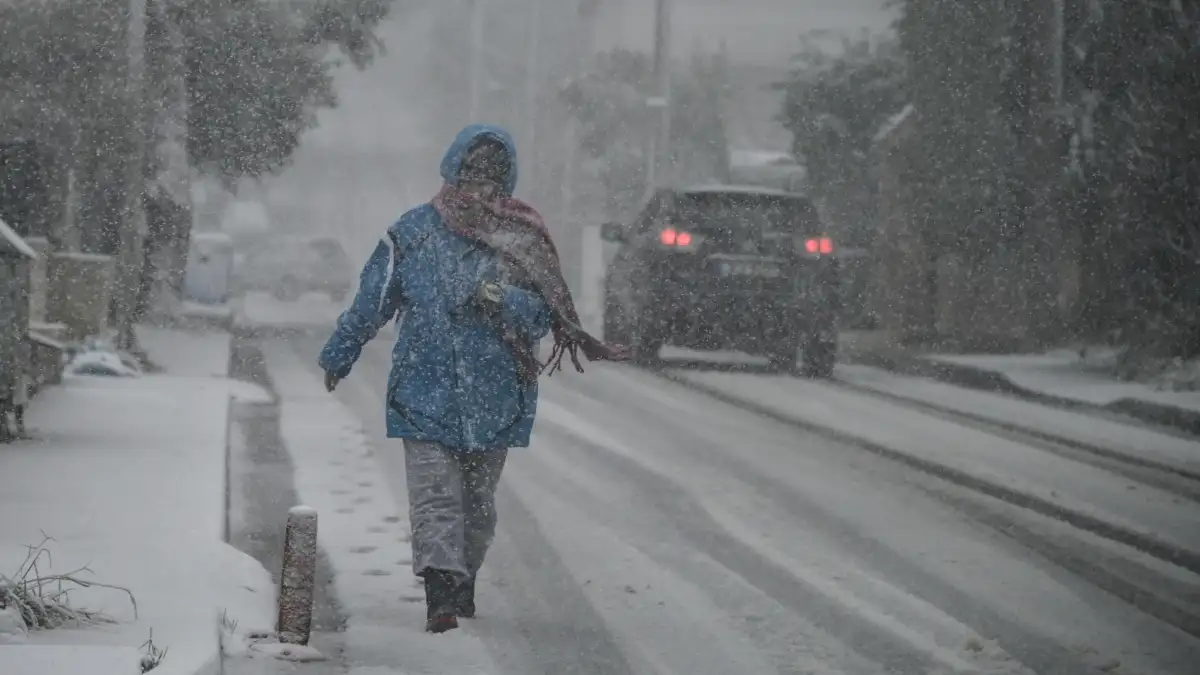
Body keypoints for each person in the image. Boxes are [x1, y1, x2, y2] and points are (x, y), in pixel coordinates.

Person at [317, 124, 629, 634]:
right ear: (453, 172)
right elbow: (372, 301)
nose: (480, 186)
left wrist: (503, 298)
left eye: (492, 176)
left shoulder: (522, 241)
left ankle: (463, 580)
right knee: (435, 496)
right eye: (471, 174)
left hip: (495, 393)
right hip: (424, 390)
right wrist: (341, 353)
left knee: (477, 506)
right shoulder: (411, 234)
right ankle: (441, 591)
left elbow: (542, 319)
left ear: (506, 181)